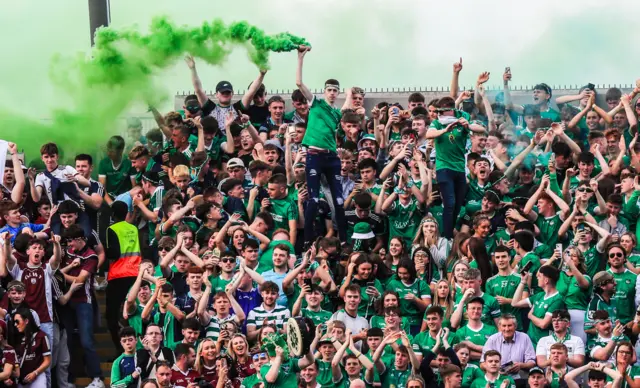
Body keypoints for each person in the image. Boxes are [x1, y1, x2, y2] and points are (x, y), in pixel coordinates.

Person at [295, 45, 348, 245]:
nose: (332, 93)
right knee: (314, 199)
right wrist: (300, 57)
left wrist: (350, 96)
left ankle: (343, 241)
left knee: (339, 201)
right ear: (324, 91)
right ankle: (308, 241)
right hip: (314, 156)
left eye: (335, 90)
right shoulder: (316, 103)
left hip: (331, 157)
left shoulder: (337, 113)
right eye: (329, 90)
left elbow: (344, 114)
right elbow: (299, 83)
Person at [105, 201, 142, 351]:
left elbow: (114, 253)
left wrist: (102, 250)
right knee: (132, 312)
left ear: (112, 214)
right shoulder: (133, 228)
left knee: (112, 315)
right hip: (135, 275)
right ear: (126, 213)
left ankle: (120, 351)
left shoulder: (111, 229)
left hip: (118, 276)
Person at [12, 308, 52, 388]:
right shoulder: (16, 337)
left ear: (26, 321)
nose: (15, 325)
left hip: (37, 376)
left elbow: (47, 361)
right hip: (20, 379)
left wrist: (35, 373)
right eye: (14, 322)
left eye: (17, 322)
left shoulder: (41, 336)